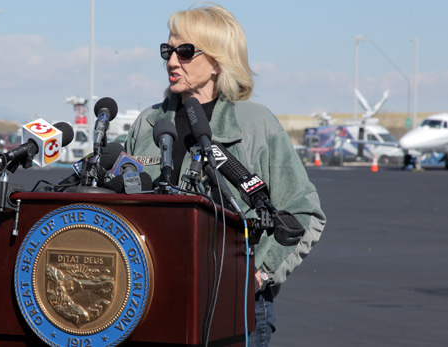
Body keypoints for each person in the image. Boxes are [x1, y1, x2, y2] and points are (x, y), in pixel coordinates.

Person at [125, 3, 326, 346]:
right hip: (148, 303)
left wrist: (259, 274)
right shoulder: (148, 123)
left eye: (185, 52)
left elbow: (305, 213)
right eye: (168, 50)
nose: (172, 61)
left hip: (231, 307)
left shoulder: (255, 124)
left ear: (218, 60)